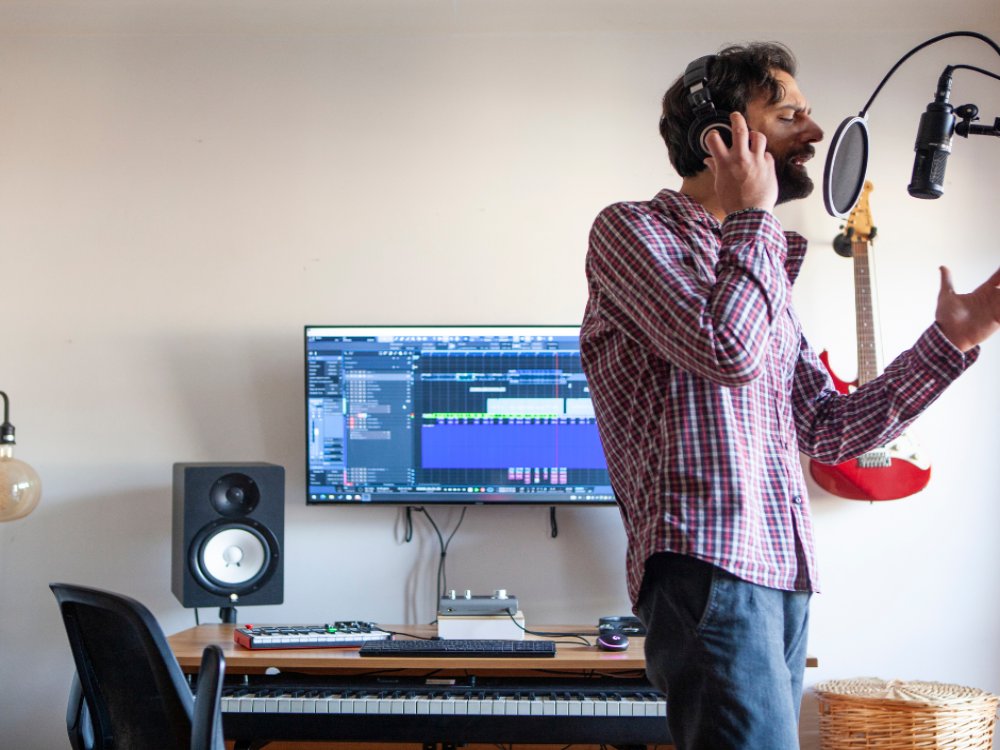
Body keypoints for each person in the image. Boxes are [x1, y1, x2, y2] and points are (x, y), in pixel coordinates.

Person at [579, 42, 1000, 750]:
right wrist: (753, 216)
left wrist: (951, 340)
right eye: (790, 114)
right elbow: (727, 351)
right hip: (706, 563)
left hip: (780, 569)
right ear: (721, 136)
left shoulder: (760, 267)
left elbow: (831, 430)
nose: (813, 132)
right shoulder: (630, 230)